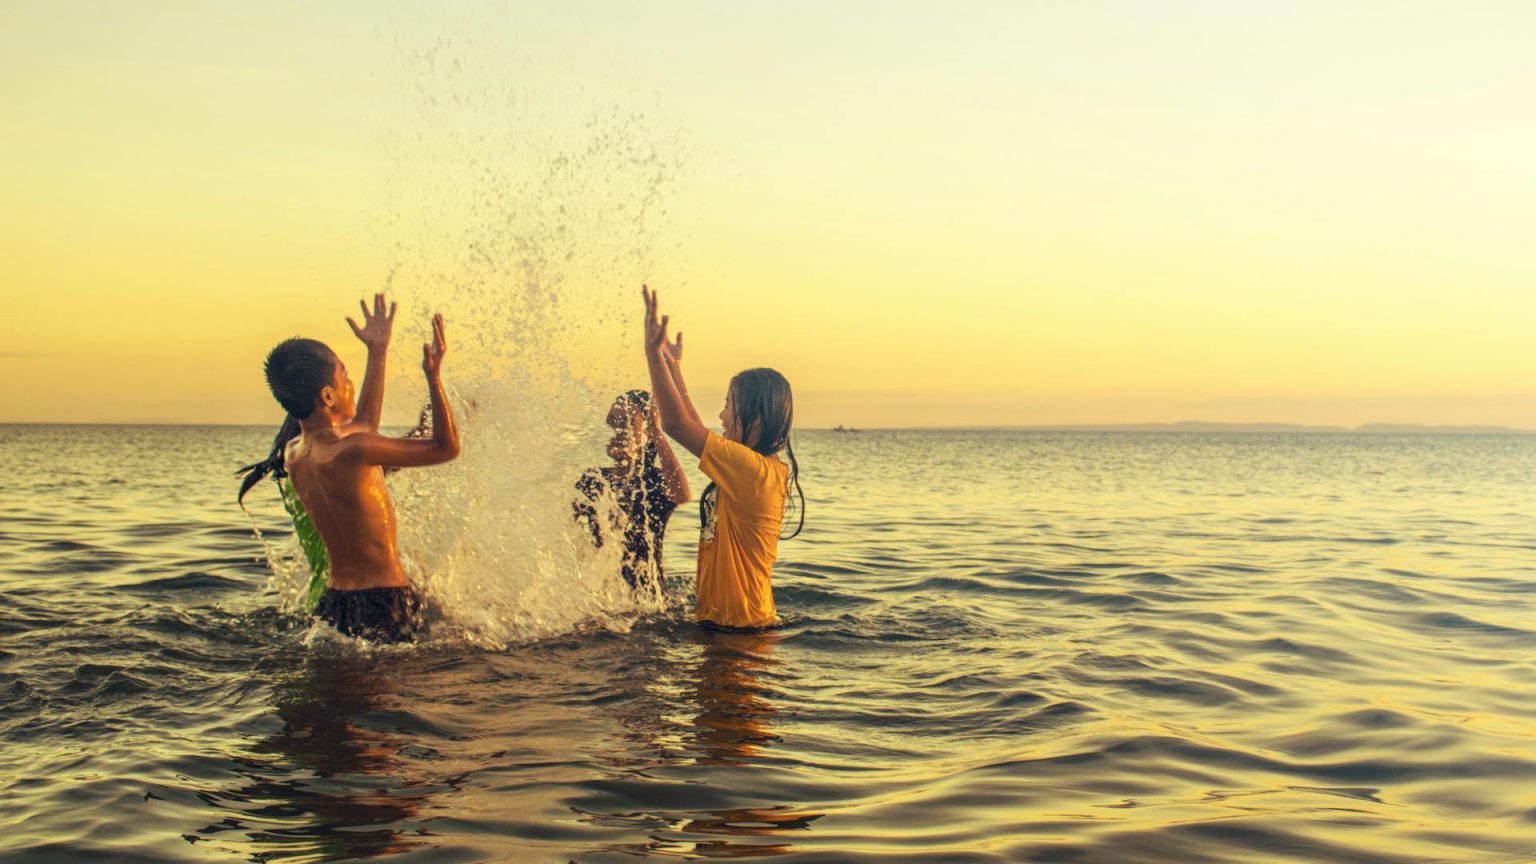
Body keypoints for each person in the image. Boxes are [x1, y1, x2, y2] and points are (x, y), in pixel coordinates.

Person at [237, 294, 459, 642]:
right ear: (328, 396)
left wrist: (378, 351)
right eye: (346, 375)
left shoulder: (294, 454)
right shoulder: (353, 449)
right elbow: (445, 448)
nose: (351, 384)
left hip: (335, 602)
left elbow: (366, 423)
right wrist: (434, 377)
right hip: (385, 600)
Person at [640, 286, 804, 629]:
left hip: (740, 637)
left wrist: (653, 355)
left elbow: (677, 425)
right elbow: (693, 426)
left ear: (755, 421)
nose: (722, 416)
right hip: (729, 629)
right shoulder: (751, 468)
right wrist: (673, 366)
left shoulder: (752, 472)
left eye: (729, 406)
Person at [573, 390, 690, 592]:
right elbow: (564, 524)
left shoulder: (653, 483)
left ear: (648, 434)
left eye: (626, 422)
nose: (615, 429)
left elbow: (681, 493)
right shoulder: (594, 479)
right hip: (604, 597)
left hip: (648, 600)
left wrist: (656, 430)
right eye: (611, 421)